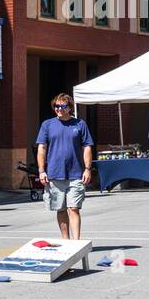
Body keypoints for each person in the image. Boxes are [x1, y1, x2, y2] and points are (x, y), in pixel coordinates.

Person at [35, 93, 94, 239]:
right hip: (55, 174)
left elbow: (87, 147)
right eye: (56, 106)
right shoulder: (47, 125)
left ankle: (76, 242)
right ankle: (66, 241)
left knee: (73, 208)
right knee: (60, 210)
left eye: (62, 106)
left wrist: (87, 169)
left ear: (69, 108)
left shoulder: (80, 124)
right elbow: (41, 148)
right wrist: (41, 171)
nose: (59, 108)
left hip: (76, 174)